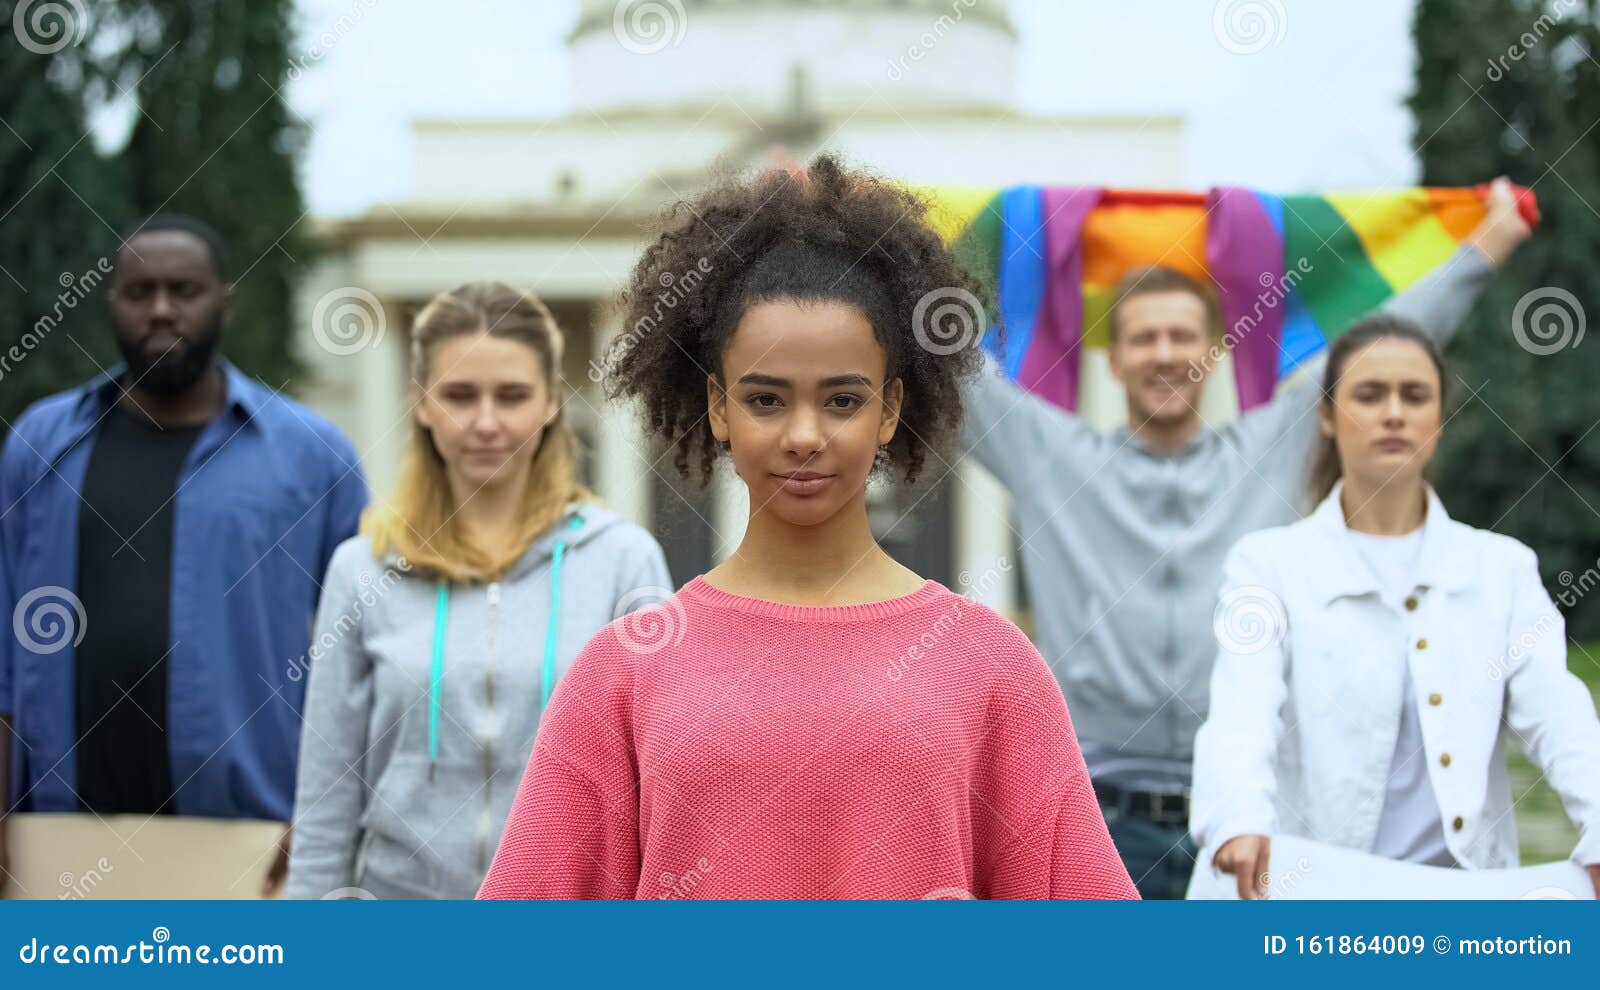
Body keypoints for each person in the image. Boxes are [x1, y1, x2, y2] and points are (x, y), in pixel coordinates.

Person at [477, 156, 1137, 900]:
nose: (803, 435)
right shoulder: (623, 673)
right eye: (765, 399)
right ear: (718, 407)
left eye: (843, 401)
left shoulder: (993, 670)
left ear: (891, 409)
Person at [959, 179, 1533, 897]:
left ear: (1215, 351)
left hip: (1245, 822)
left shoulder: (1276, 446)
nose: (1165, 354)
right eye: (1144, 338)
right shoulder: (1050, 455)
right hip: (1092, 820)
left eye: (1181, 337)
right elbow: (952, 370)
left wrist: (1491, 243)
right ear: (1114, 357)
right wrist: (828, 233)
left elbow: (1382, 348)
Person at [0, 213, 367, 896]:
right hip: (59, 847)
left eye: (184, 290)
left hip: (254, 844)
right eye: (140, 292)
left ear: (224, 299)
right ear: (113, 302)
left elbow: (368, 666)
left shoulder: (312, 457)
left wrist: (327, 828)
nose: (162, 309)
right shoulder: (38, 444)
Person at [1190, 313, 1600, 899]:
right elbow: (1242, 706)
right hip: (1318, 895)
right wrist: (1238, 815)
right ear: (1327, 417)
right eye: (1369, 394)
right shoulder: (1268, 564)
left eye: (1414, 396)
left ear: (1440, 419)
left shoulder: (1501, 568)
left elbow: (1559, 716)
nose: (1393, 413)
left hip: (1466, 906)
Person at [285, 283, 671, 900]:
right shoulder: (362, 568)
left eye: (512, 396)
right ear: (422, 402)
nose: (486, 422)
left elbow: (659, 783)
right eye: (460, 395)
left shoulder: (625, 560)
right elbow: (326, 794)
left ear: (550, 402)